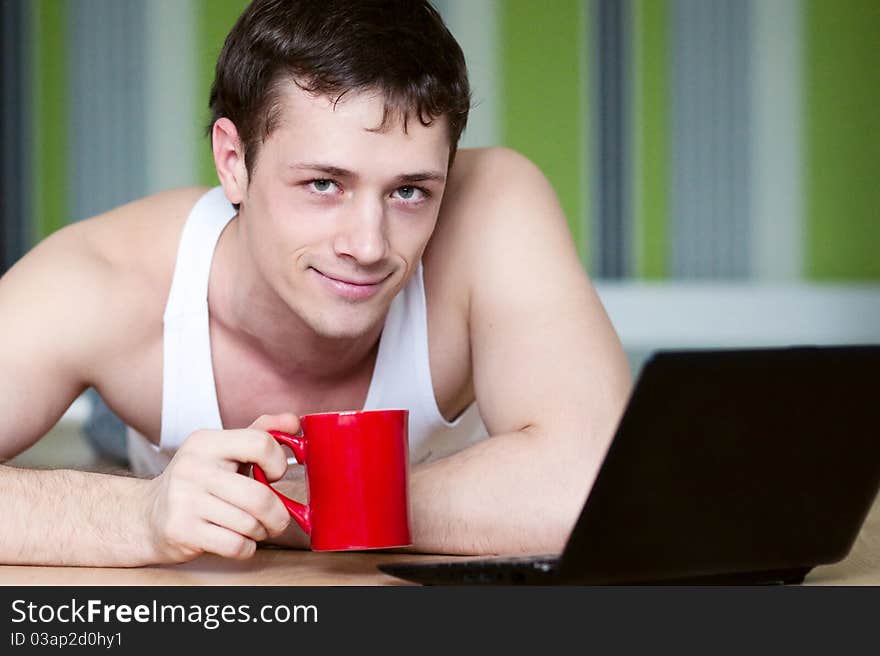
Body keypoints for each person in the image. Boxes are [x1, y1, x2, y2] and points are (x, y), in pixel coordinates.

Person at [0, 0, 631, 566]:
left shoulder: (491, 205)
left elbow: (598, 487)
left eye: (409, 191)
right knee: (112, 448)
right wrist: (139, 513)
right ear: (234, 162)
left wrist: (314, 505)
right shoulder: (104, 279)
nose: (368, 246)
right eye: (323, 184)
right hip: (145, 443)